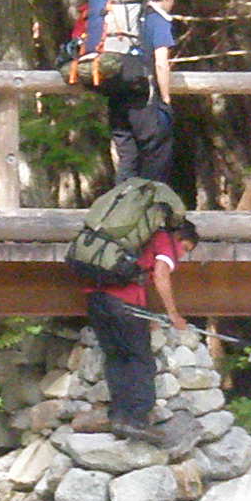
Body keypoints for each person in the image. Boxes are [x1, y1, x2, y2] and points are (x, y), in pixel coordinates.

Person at [82, 186, 199, 448]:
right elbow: (160, 275)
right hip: (125, 304)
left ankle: (120, 416)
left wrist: (149, 315)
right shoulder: (164, 241)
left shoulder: (131, 237)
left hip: (95, 297)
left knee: (116, 357)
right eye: (186, 248)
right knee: (141, 360)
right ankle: (137, 419)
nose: (182, 254)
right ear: (179, 234)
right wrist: (174, 315)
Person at [97, 0, 179, 183]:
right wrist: (166, 98)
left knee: (128, 158)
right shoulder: (158, 19)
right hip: (143, 97)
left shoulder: (131, 18)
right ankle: (149, 210)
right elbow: (161, 63)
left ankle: (120, 207)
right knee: (156, 155)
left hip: (117, 91)